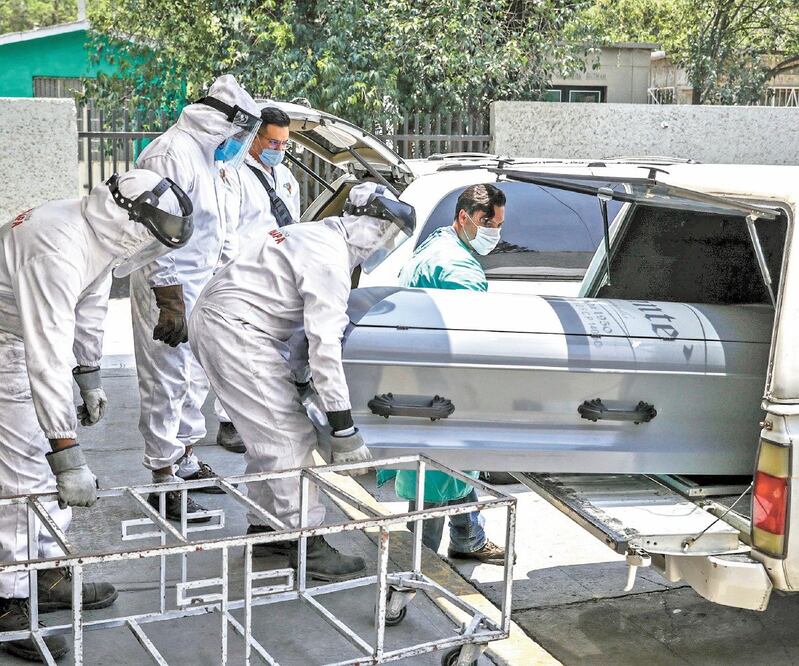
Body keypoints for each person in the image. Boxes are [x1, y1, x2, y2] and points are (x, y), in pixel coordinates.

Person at [0, 169, 194, 662]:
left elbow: (89, 307)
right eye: (150, 238)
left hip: (25, 336)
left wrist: (88, 374)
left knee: (35, 467)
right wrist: (67, 451)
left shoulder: (99, 236)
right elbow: (44, 354)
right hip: (7, 340)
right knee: (22, 473)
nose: (149, 248)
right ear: (131, 221)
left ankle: (45, 572)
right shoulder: (55, 249)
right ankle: (7, 599)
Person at [190, 182, 416, 581]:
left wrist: (296, 382)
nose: (386, 243)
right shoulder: (329, 259)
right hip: (237, 331)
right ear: (371, 224)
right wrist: (344, 427)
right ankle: (307, 542)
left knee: (266, 439)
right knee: (289, 440)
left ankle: (268, 530)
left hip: (227, 323)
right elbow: (323, 345)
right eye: (388, 233)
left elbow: (297, 329)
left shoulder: (313, 234)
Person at [130, 75, 262, 520]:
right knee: (165, 379)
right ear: (219, 123)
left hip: (200, 287)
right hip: (165, 287)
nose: (241, 143)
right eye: (240, 134)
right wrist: (169, 298)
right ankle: (163, 479)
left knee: (194, 378)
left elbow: (219, 231)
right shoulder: (171, 153)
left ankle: (184, 461)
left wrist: (232, 287)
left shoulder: (210, 160)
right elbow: (154, 231)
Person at [379, 183, 508, 563]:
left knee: (455, 465)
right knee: (434, 479)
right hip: (438, 388)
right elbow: (474, 332)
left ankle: (468, 538)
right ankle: (411, 572)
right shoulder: (457, 267)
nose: (495, 234)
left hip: (421, 377)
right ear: (464, 217)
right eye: (489, 224)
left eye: (499, 225)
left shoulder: (440, 245)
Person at [215, 105, 302, 453]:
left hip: (278, 274)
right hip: (244, 274)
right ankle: (229, 421)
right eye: (272, 142)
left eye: (284, 144)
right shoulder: (232, 174)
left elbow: (291, 224)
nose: (278, 150)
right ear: (255, 137)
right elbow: (226, 231)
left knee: (272, 351)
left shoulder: (287, 178)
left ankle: (266, 413)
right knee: (237, 352)